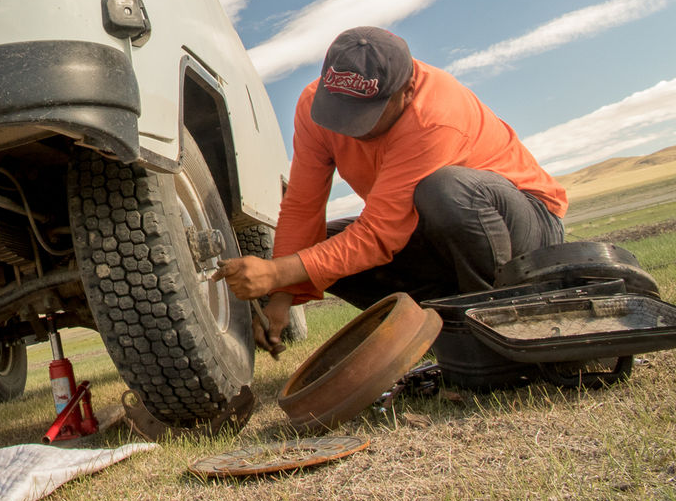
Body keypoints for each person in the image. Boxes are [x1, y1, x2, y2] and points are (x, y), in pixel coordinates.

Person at [214, 26, 566, 353]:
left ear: (407, 91)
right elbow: (302, 206)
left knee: (445, 190)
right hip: (436, 237)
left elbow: (379, 234)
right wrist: (282, 294)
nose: (349, 129)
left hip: (523, 232)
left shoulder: (435, 114)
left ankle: (502, 328)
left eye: (364, 116)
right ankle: (445, 329)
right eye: (342, 113)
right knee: (321, 253)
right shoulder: (312, 109)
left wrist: (277, 271)